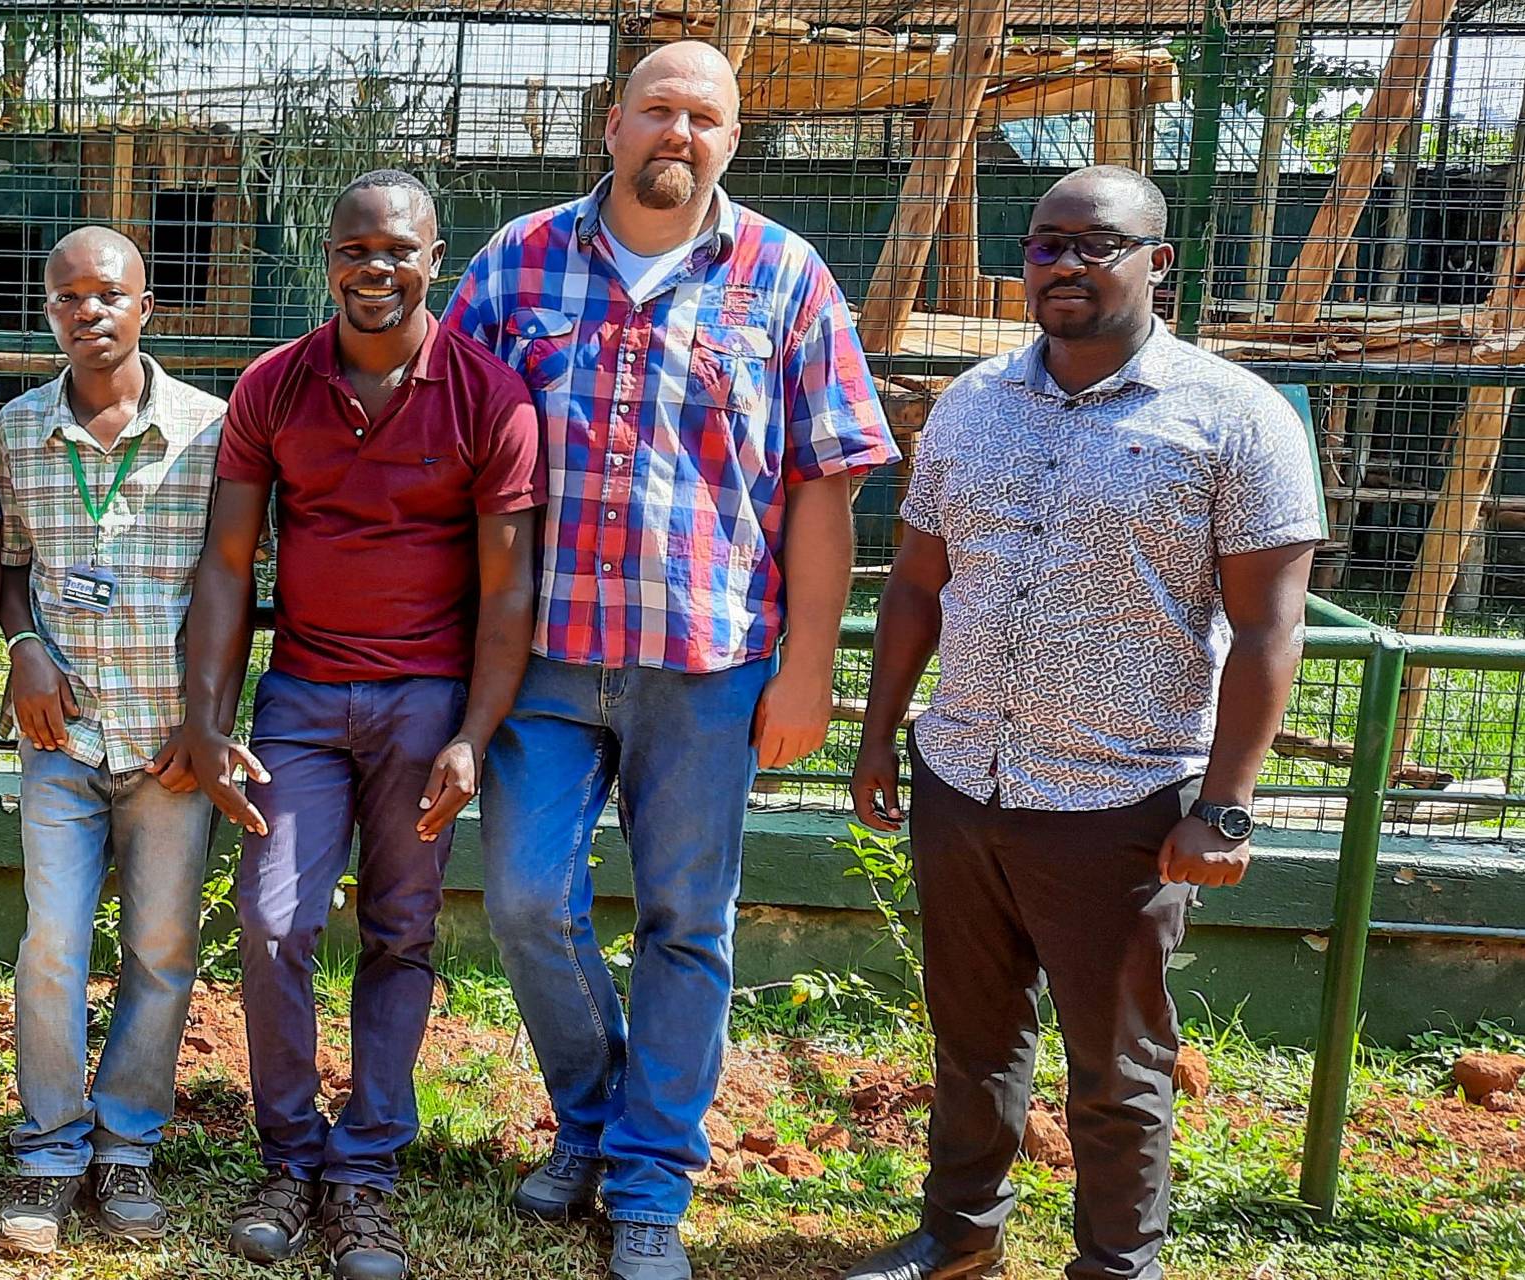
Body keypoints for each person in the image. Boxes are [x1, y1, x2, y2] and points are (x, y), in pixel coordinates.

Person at [444, 40, 897, 1280]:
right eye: (658, 110)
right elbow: (456, 457)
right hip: (540, 656)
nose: (677, 135)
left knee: (687, 921)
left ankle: (649, 1177)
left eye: (705, 117)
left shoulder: (787, 278)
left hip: (709, 663)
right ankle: (593, 1121)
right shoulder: (516, 263)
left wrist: (811, 667)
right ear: (613, 122)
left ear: (731, 140)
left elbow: (823, 487)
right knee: (531, 900)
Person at [840, 167, 1320, 1280]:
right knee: (970, 1038)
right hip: (965, 776)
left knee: (1117, 1061)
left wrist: (1227, 809)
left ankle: (1116, 1262)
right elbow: (916, 583)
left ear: (1159, 262)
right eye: (1046, 243)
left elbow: (1267, 630)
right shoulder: (969, 403)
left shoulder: (1236, 415)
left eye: (1095, 245)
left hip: (1121, 797)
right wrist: (878, 737)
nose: (1063, 264)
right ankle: (958, 1239)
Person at [165, 169, 539, 1280]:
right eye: (355, 250)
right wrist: (208, 716)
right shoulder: (276, 387)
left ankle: (363, 1173)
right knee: (276, 919)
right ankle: (288, 1155)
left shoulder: (490, 396)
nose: (377, 269)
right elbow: (228, 567)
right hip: (301, 702)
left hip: (426, 702)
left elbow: (508, 590)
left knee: (400, 927)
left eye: (400, 251)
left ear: (438, 259)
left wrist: (474, 730)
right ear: (327, 257)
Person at [0, 226, 228, 1256]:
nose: (90, 312)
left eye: (110, 295)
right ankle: (47, 1150)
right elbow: (5, 564)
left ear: (146, 307)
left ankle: (126, 1142)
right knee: (52, 945)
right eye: (69, 298)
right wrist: (26, 641)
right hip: (64, 739)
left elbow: (234, 589)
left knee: (163, 948)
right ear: (49, 313)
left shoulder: (213, 434)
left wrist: (208, 723)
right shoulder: (15, 431)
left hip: (172, 746)